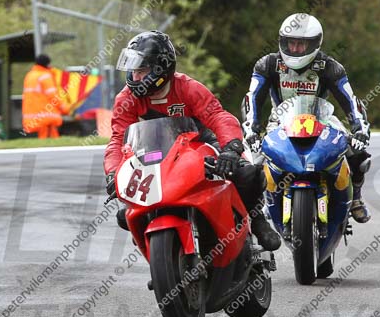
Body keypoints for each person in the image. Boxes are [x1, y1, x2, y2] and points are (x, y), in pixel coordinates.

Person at [104, 30, 281, 251]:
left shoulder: (188, 88)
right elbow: (118, 139)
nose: (136, 77)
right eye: (134, 71)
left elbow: (219, 117)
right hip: (151, 151)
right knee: (126, 213)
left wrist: (231, 149)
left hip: (201, 142)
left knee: (246, 172)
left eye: (142, 70)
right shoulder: (126, 99)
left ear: (161, 67)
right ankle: (161, 252)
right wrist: (113, 171)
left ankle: (257, 221)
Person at [242, 13, 372, 223]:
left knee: (357, 152)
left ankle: (356, 198)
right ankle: (258, 211)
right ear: (282, 42)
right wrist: (252, 129)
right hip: (280, 121)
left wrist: (359, 128)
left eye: (301, 45)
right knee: (251, 161)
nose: (294, 49)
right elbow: (252, 98)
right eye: (290, 43)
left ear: (315, 44)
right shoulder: (267, 64)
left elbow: (350, 100)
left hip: (322, 119)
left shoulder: (330, 67)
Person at [22, 54, 67, 138]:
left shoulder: (29, 76)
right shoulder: (45, 76)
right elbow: (53, 96)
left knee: (43, 140)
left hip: (33, 116)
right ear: (47, 64)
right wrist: (64, 108)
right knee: (49, 139)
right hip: (45, 114)